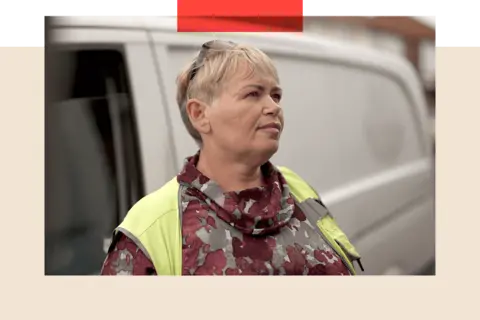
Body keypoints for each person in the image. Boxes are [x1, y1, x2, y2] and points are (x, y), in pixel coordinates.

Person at [101, 40, 363, 276]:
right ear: (200, 114)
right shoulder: (153, 226)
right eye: (253, 94)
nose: (274, 107)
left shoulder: (295, 187)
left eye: (275, 95)